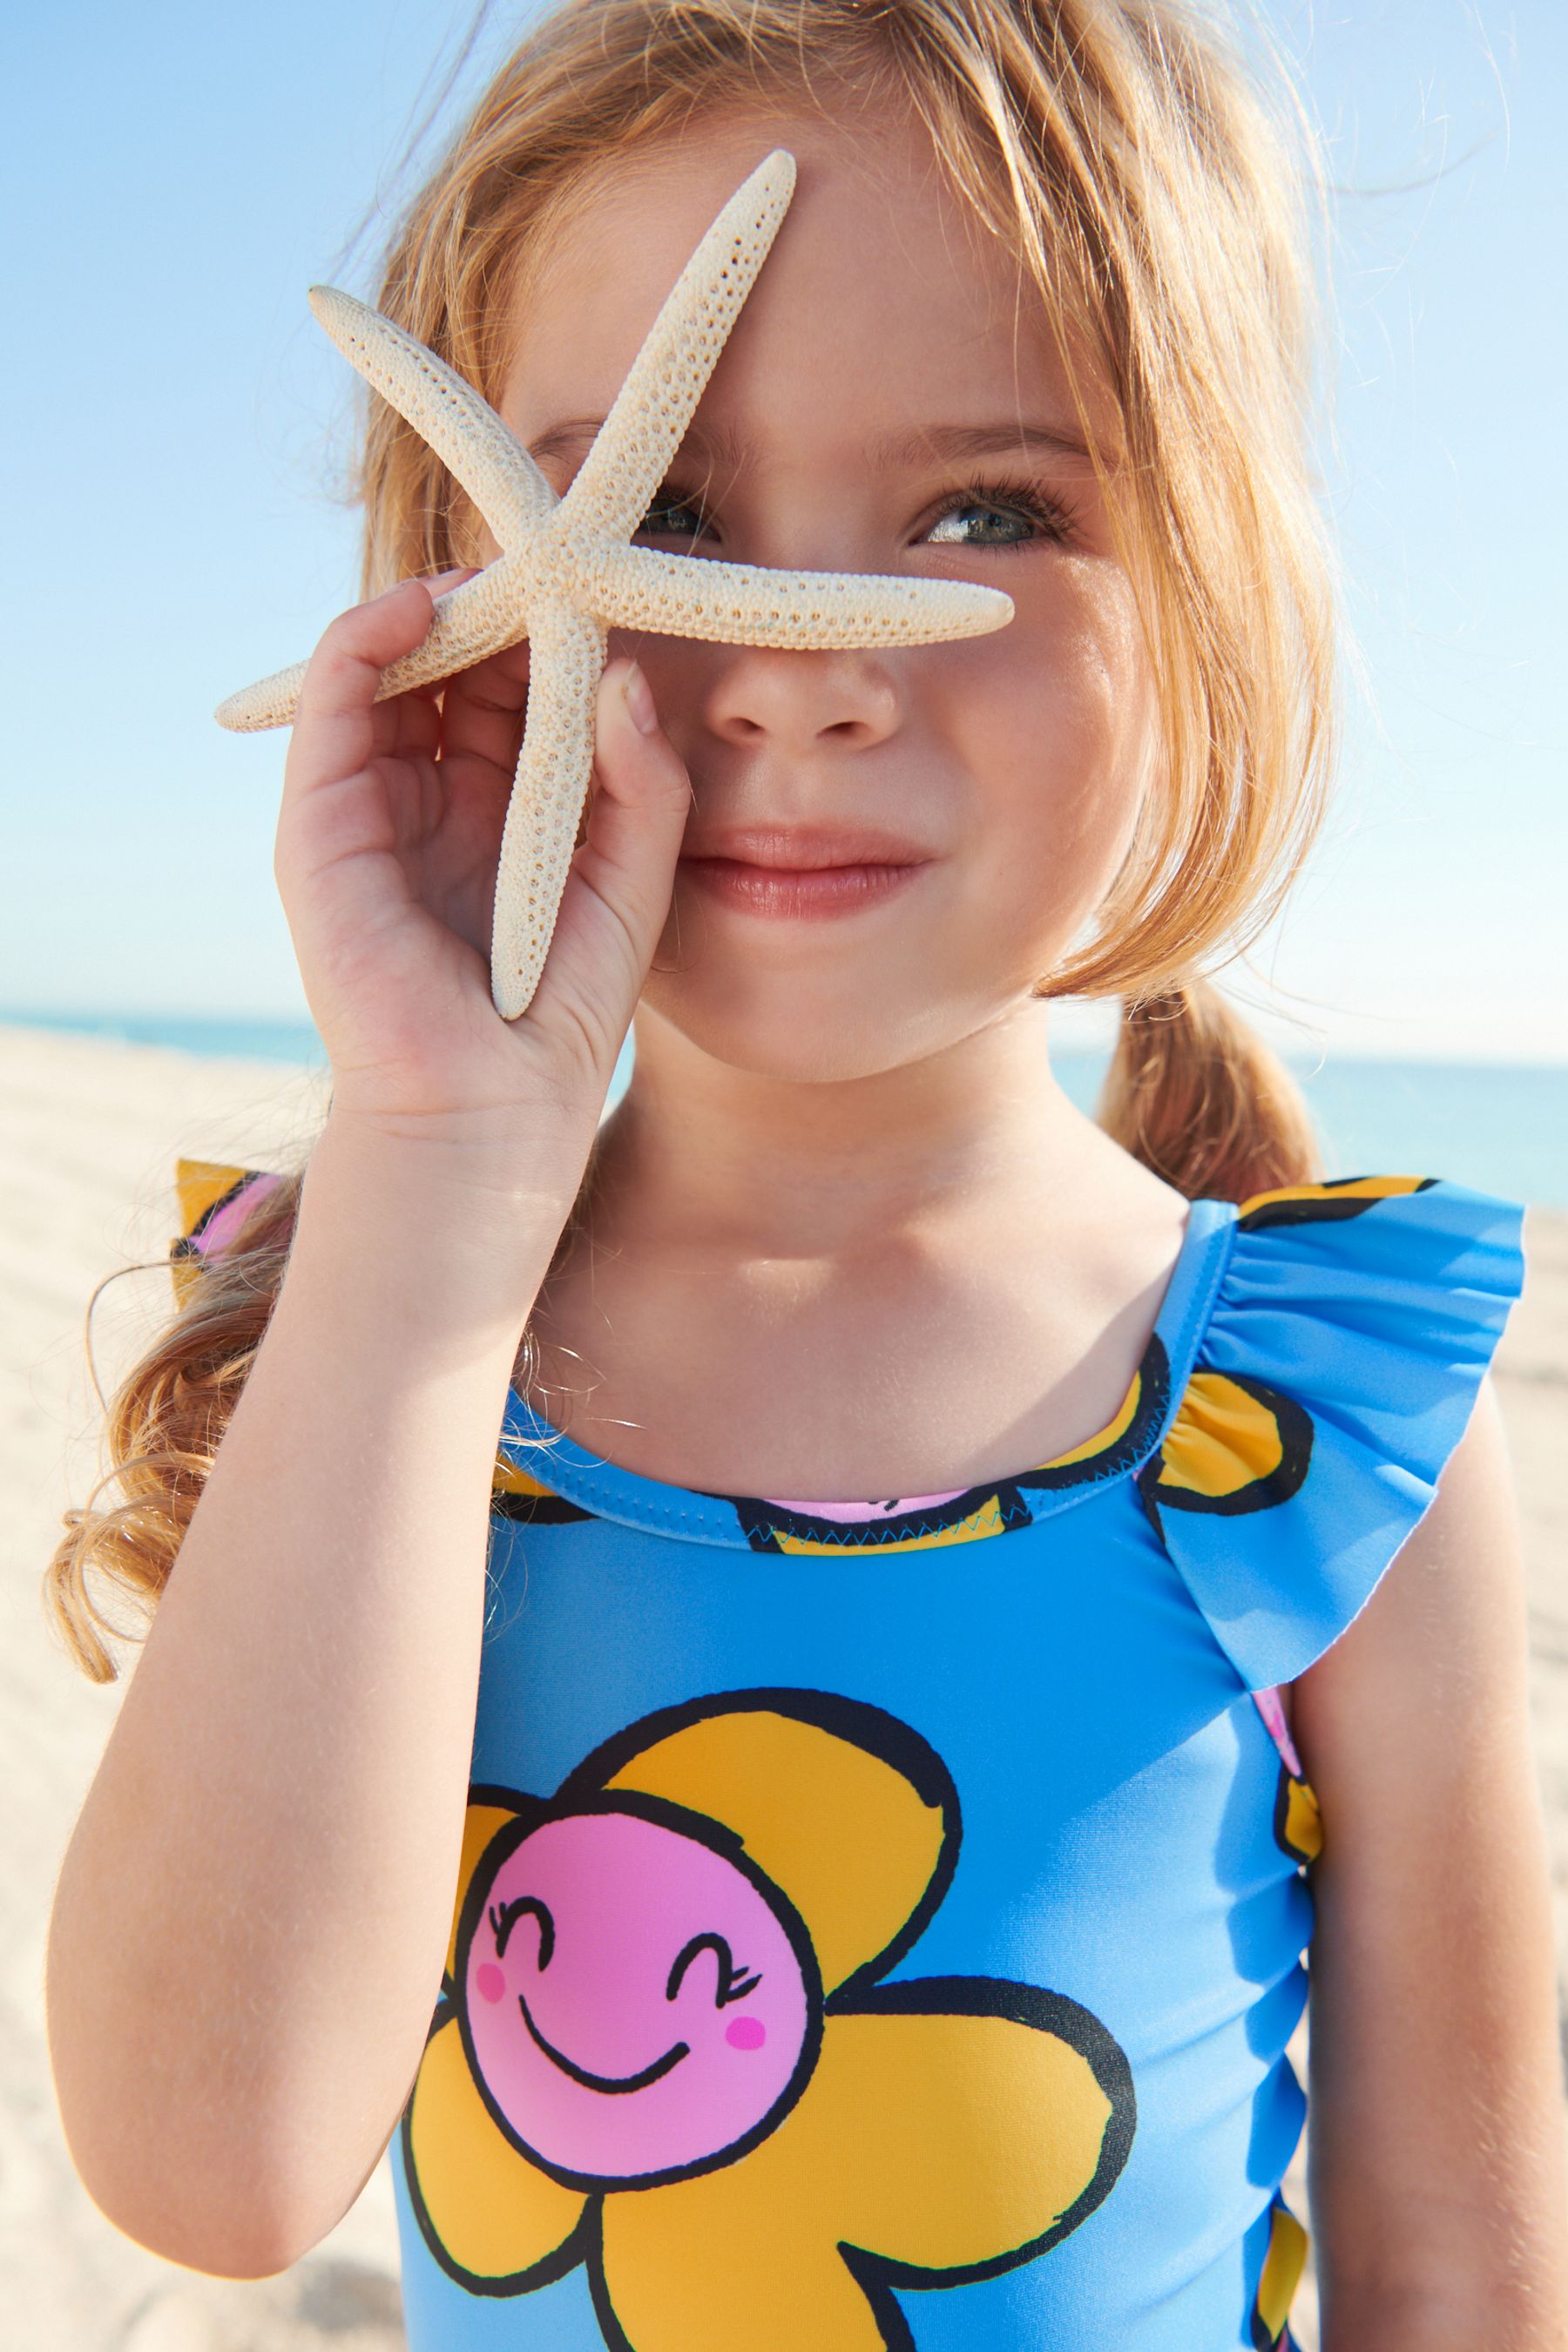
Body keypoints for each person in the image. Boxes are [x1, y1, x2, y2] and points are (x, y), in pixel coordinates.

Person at [43, 3, 1567, 2347]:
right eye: (660, 522)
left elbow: (1461, 2282)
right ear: (460, 588)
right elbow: (211, 2167)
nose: (802, 676)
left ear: (1218, 586)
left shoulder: (1327, 1429)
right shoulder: (388, 1335)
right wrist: (444, 1162)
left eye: (988, 512)